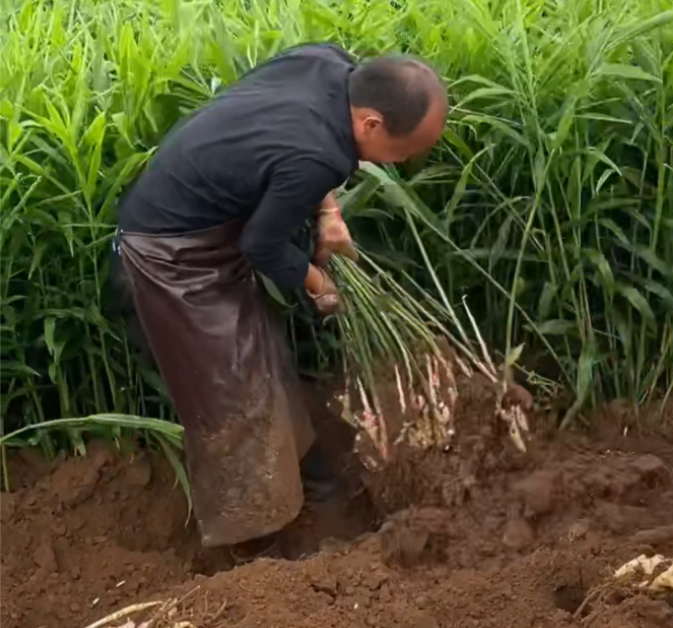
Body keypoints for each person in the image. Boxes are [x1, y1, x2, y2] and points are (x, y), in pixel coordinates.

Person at [113, 43, 447, 558]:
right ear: (373, 124)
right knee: (231, 395)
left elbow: (283, 148)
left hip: (200, 221)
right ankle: (255, 549)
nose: (400, 164)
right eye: (402, 153)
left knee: (264, 361)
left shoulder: (328, 62)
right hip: (171, 253)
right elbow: (262, 245)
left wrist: (328, 212)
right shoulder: (317, 155)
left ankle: (318, 489)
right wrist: (321, 286)